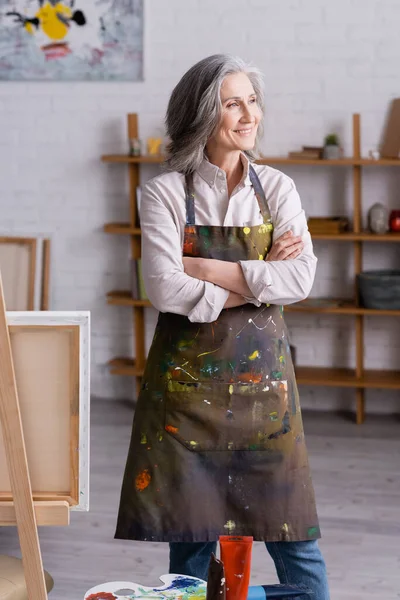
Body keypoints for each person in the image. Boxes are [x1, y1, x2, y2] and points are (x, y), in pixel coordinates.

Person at [115, 54, 330, 600]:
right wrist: (259, 279)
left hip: (266, 400)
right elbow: (163, 288)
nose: (248, 114)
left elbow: (302, 278)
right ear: (201, 112)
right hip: (186, 401)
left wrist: (211, 271)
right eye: (232, 102)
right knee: (189, 549)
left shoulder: (277, 188)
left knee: (298, 548)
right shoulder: (164, 192)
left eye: (252, 100)